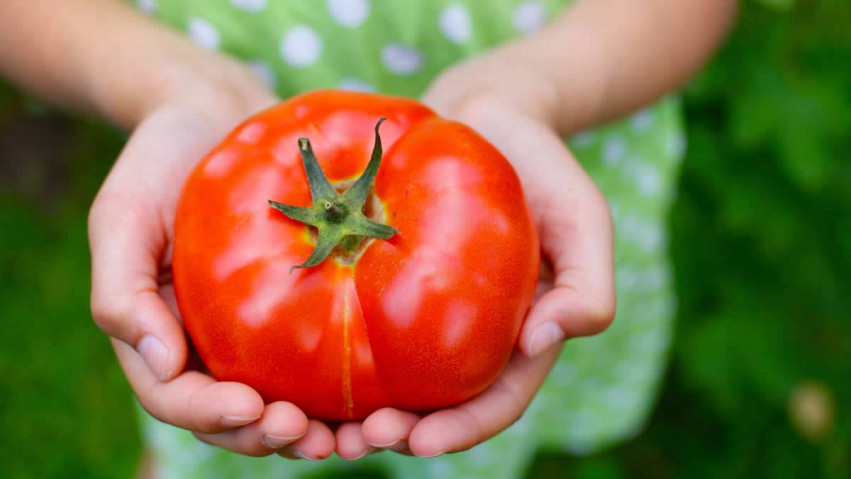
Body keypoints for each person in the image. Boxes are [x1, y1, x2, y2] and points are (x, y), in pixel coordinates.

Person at [0, 0, 737, 477]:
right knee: (218, 421)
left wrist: (539, 87)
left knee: (502, 362)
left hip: (542, 141)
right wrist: (164, 83)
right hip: (230, 160)